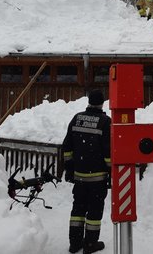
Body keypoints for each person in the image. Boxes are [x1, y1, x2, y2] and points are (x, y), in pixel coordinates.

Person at [63, 89, 111, 254]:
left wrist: (69, 169)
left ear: (89, 101)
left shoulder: (77, 118)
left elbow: (67, 147)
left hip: (79, 176)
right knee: (94, 210)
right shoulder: (105, 122)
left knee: (78, 209)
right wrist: (111, 171)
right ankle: (90, 244)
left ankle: (75, 243)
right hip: (97, 178)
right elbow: (108, 151)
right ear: (102, 103)